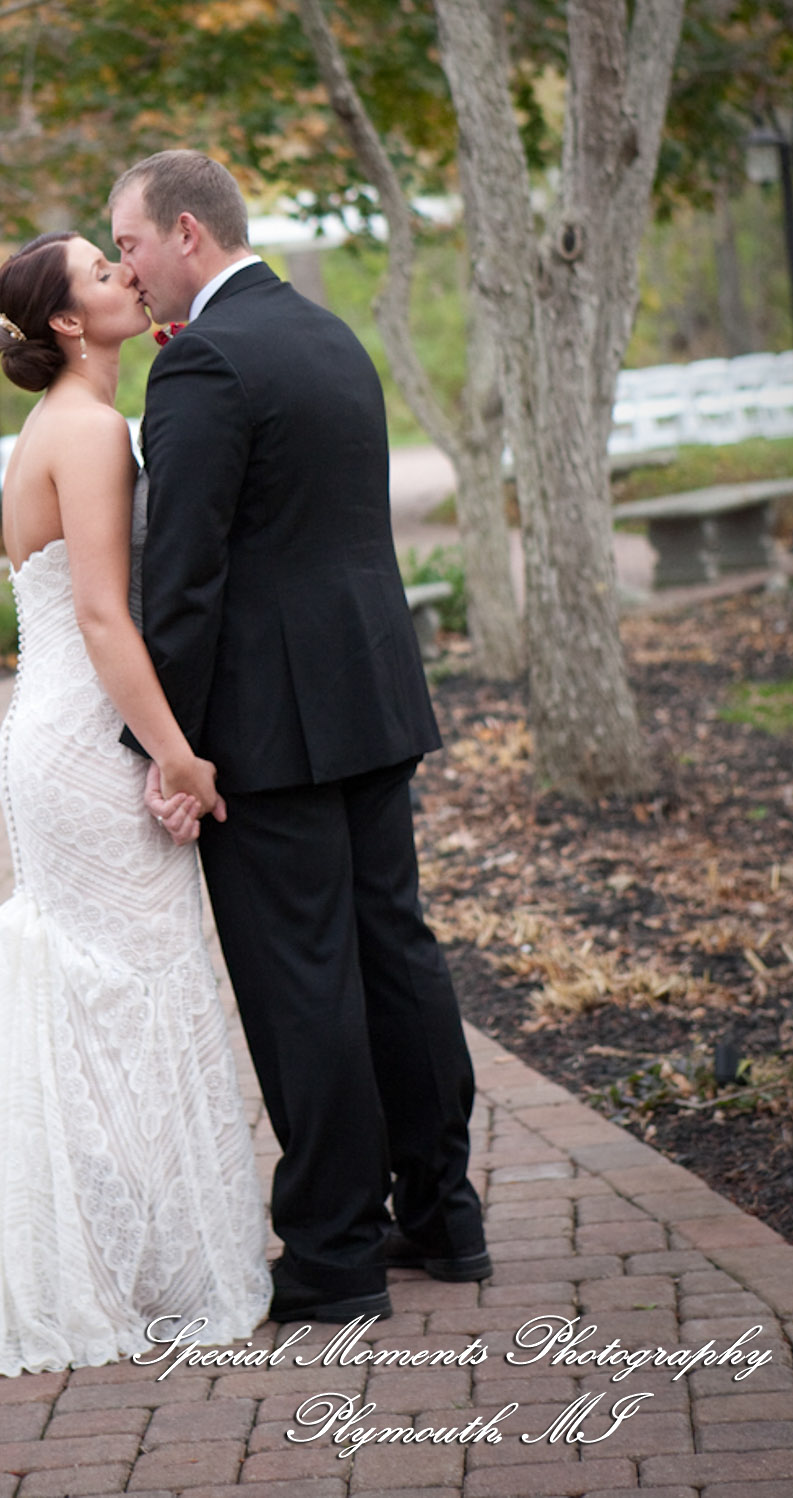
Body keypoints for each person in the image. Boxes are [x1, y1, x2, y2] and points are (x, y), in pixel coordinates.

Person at [109, 150, 489, 1326]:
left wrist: (164, 748)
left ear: (185, 232)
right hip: (369, 692)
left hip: (266, 726)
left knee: (301, 978)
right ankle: (442, 1210)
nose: (124, 265)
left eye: (127, 244)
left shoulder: (206, 363)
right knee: (394, 952)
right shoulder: (326, 335)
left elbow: (181, 581)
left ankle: (332, 1249)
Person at [0, 231, 271, 1378]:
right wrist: (178, 759)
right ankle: (128, 1270)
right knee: (138, 984)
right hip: (84, 741)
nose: (128, 277)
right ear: (69, 322)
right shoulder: (86, 432)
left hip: (53, 735)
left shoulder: (67, 425)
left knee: (104, 993)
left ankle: (109, 1258)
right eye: (103, 273)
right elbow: (110, 619)